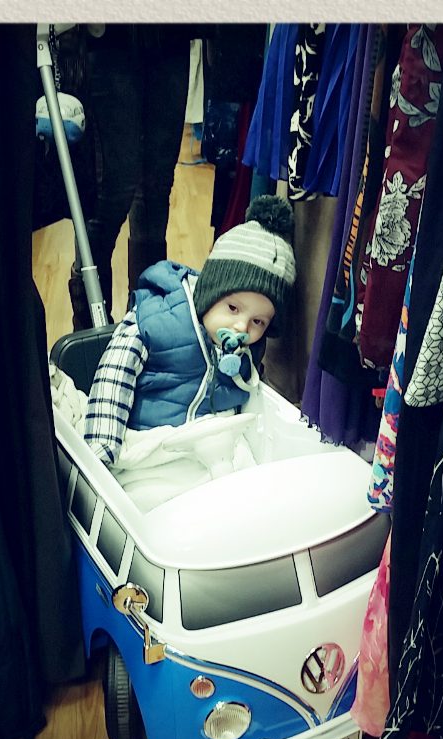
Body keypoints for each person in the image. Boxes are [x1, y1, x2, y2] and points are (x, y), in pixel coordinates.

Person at [84, 194, 296, 466]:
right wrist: (102, 447)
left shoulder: (248, 350)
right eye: (233, 308)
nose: (242, 326)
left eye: (258, 322)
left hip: (212, 447)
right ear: (209, 294)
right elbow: (114, 376)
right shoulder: (157, 322)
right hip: (150, 442)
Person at [68, 24, 199, 330]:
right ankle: (91, 334)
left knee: (155, 189)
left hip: (170, 31)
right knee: (109, 194)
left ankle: (146, 323)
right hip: (107, 36)